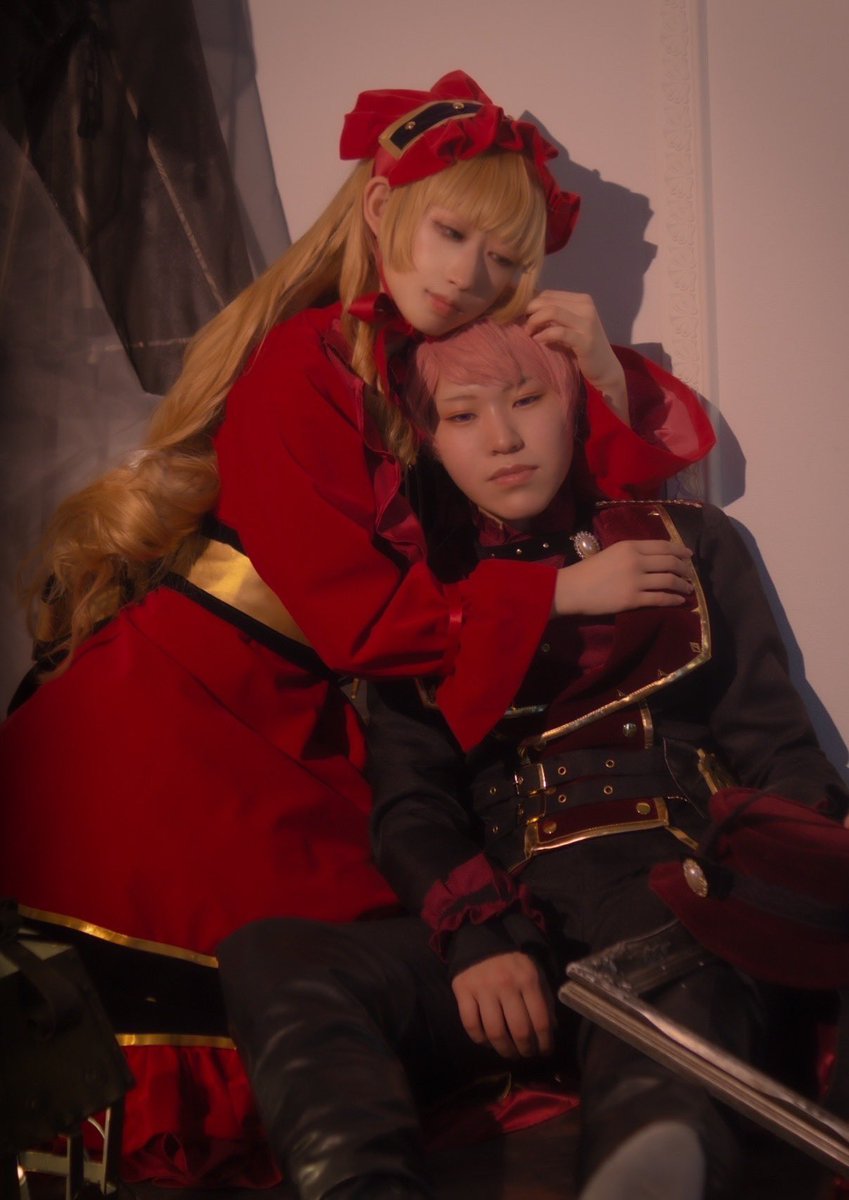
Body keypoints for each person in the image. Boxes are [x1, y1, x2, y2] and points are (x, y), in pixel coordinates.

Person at [0, 72, 711, 1184]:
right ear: (380, 210)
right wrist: (560, 596)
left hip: (291, 720)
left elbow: (583, 509)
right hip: (184, 722)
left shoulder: (426, 372)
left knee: (389, 972)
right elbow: (365, 622)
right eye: (451, 234)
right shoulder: (303, 366)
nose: (470, 276)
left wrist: (600, 377)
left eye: (504, 259)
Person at [217, 318, 849, 1200]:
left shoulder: (690, 540)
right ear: (426, 440)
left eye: (526, 401)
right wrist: (478, 937)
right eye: (462, 415)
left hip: (674, 898)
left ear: (573, 405)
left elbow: (781, 752)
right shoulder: (421, 601)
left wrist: (765, 892)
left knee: (662, 1057)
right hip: (521, 932)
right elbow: (412, 807)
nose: (503, 440)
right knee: (271, 955)